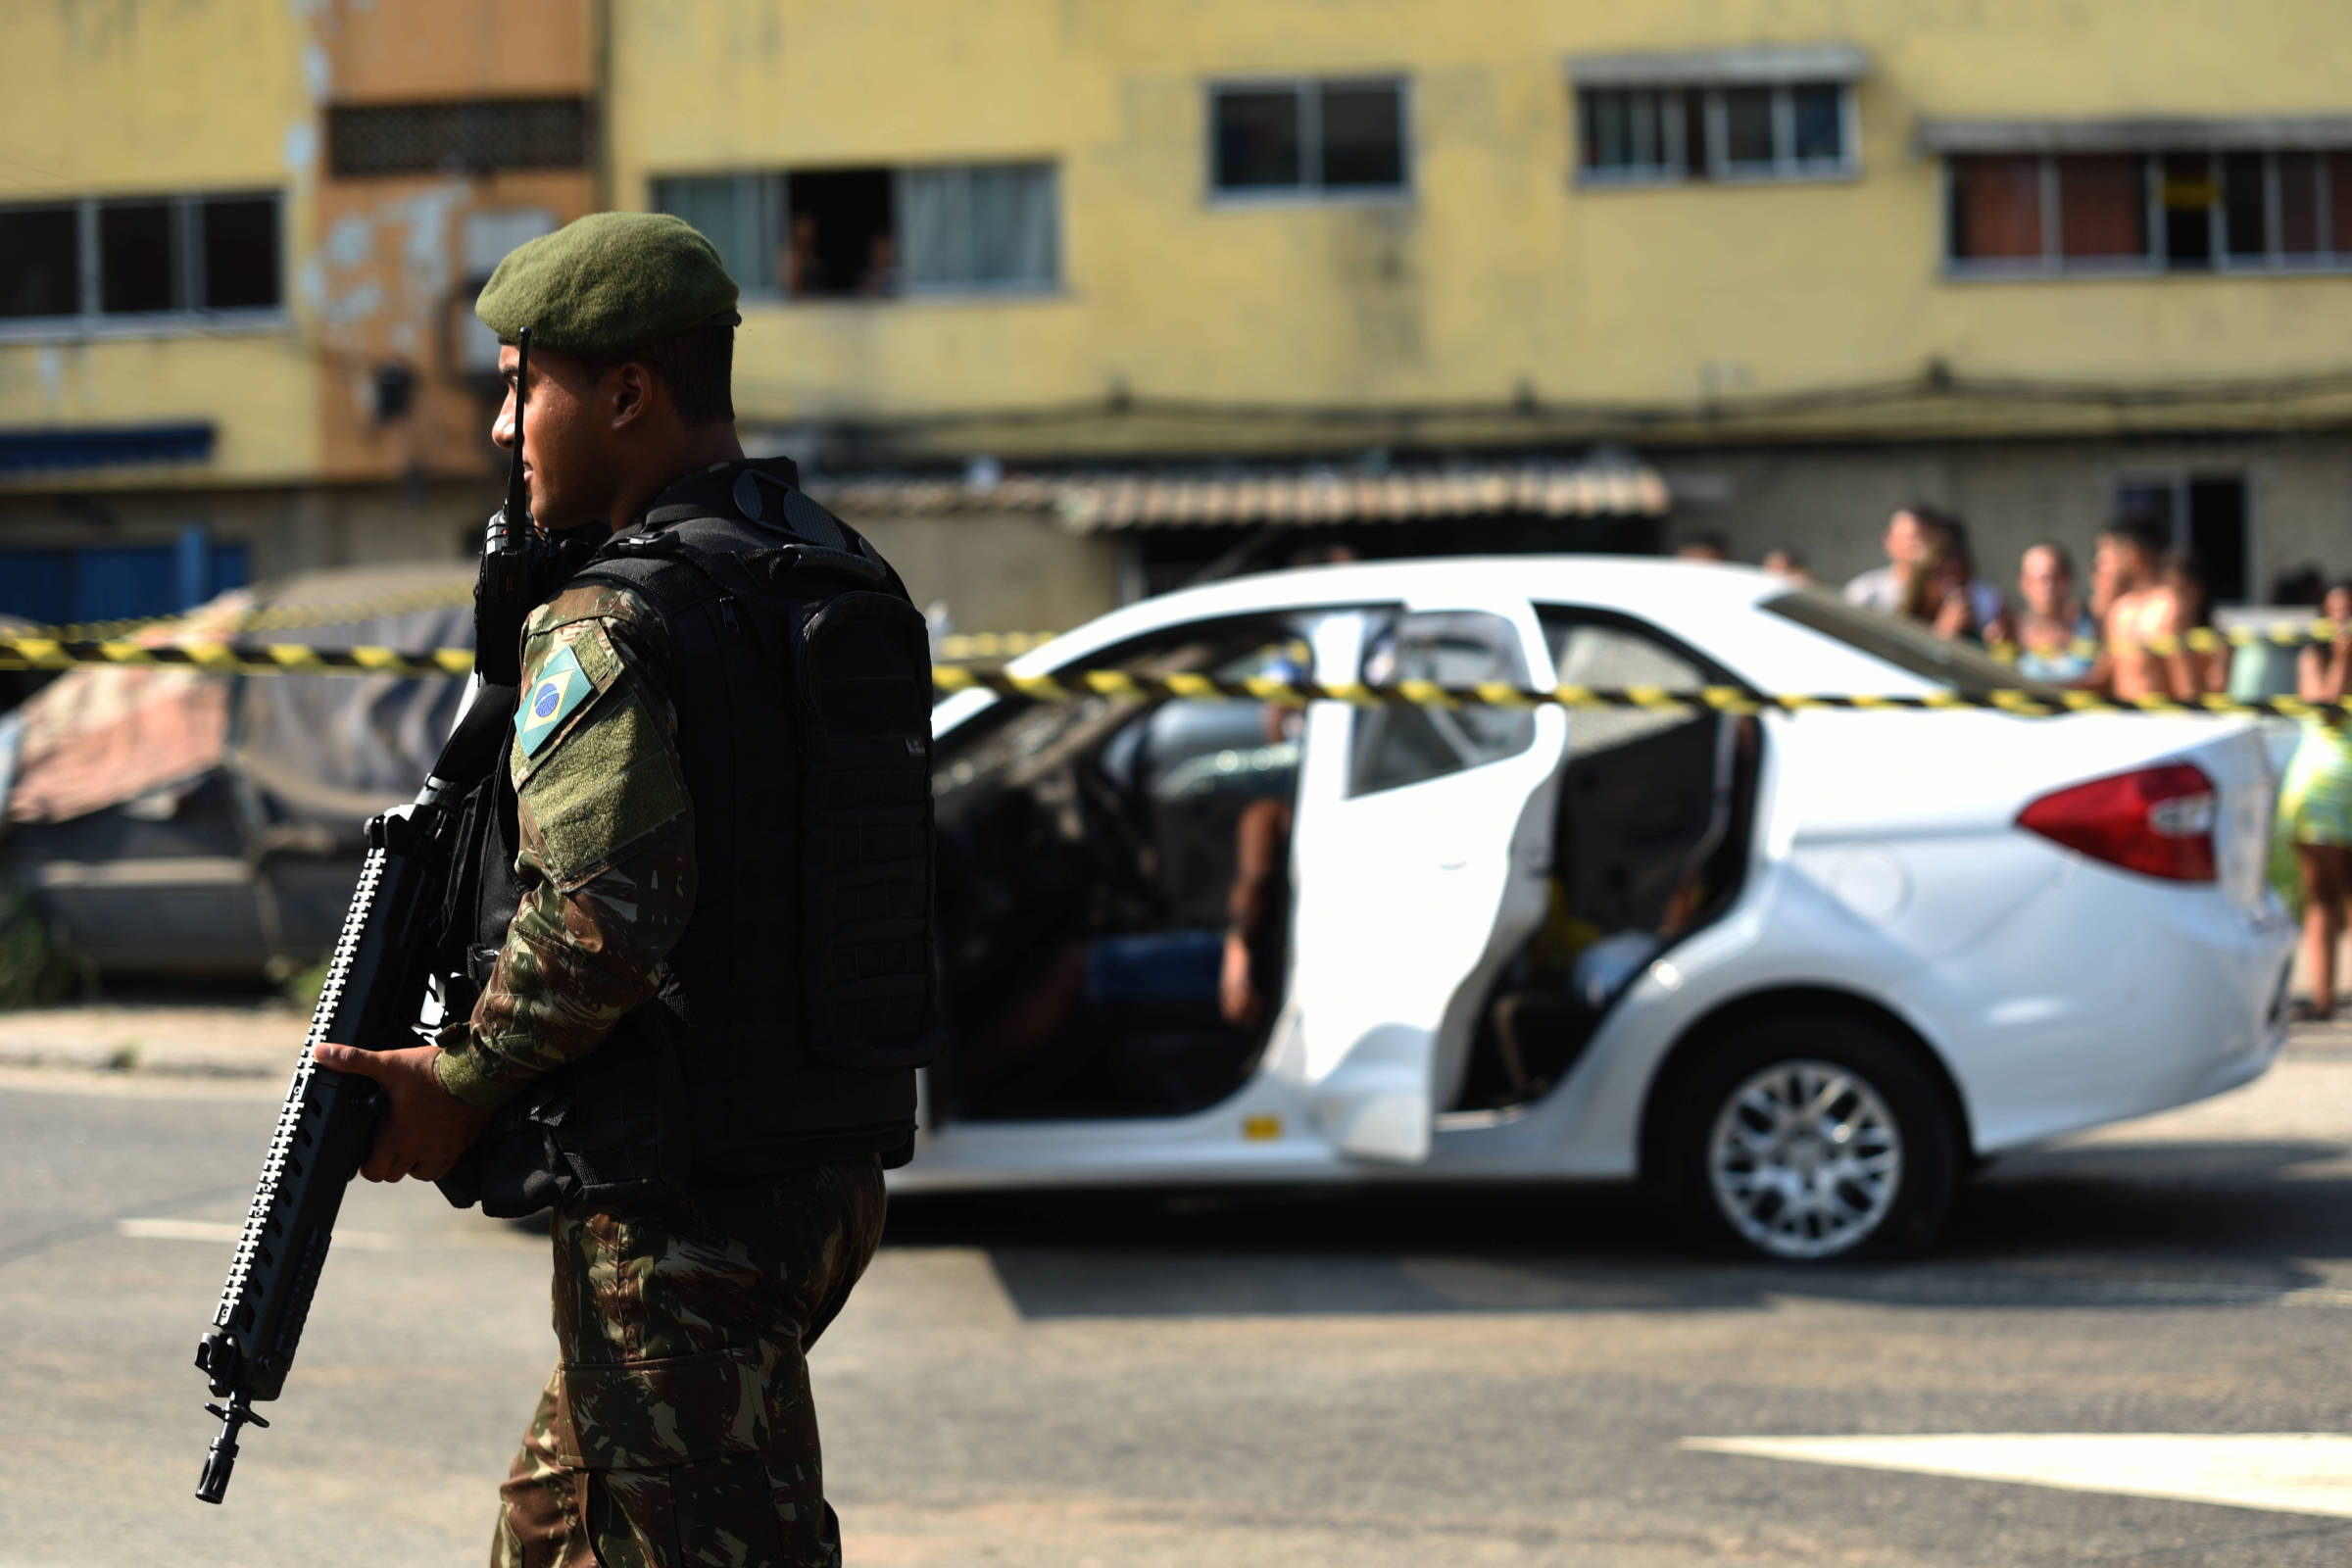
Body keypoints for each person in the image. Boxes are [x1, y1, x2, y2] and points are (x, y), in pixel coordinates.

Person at [312, 212, 934, 1567]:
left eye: (522, 384)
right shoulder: (827, 567)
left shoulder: (610, 617)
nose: (499, 426)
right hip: (821, 1164)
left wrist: (455, 1080)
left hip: (681, 1211)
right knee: (560, 1526)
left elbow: (601, 918)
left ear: (629, 394)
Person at [2283, 582, 2352, 1018]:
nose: (2343, 619)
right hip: (2323, 786)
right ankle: (2323, 997)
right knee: (2322, 896)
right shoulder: (2314, 654)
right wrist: (2344, 655)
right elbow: (2324, 706)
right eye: (2336, 611)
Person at [2087, 517, 2173, 700]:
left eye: (2105, 553)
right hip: (2125, 722)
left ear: (2131, 554)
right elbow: (2104, 678)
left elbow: (2188, 690)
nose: (2100, 561)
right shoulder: (2118, 609)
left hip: (2162, 724)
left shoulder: (2169, 607)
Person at [2013, 540, 2097, 683]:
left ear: (2068, 578)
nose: (2048, 587)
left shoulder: (2094, 625)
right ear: (2023, 583)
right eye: (2038, 579)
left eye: (2054, 577)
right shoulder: (2010, 631)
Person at [1844, 503, 1945, 612]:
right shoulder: (1865, 592)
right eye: (1912, 538)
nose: (1919, 546)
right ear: (1889, 540)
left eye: (1927, 538)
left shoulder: (1948, 592)